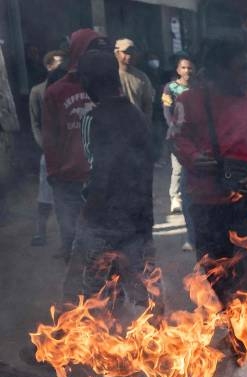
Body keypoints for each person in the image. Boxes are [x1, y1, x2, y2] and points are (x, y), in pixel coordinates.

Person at [169, 40, 247, 310]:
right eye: (241, 69)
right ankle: (233, 324)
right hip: (206, 204)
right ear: (218, 70)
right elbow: (177, 138)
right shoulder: (188, 101)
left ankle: (243, 336)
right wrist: (194, 157)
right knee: (214, 272)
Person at [64, 50, 158, 309]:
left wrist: (87, 218)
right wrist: (145, 220)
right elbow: (146, 169)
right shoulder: (137, 116)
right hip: (137, 218)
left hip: (101, 221)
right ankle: (155, 342)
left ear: (90, 81)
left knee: (83, 293)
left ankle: (64, 340)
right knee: (144, 292)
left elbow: (97, 172)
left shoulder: (91, 119)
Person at [43, 29, 109, 261]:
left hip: (102, 177)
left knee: (102, 240)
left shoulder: (109, 87)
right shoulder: (56, 92)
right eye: (93, 49)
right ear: (78, 52)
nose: (99, 55)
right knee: (72, 236)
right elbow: (50, 137)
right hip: (68, 178)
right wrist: (52, 171)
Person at [28, 50, 65, 247]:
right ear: (48, 66)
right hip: (50, 152)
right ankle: (40, 232)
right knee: (45, 194)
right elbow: (35, 124)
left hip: (71, 151)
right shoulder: (37, 91)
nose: (62, 68)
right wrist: (46, 146)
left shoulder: (72, 90)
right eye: (58, 64)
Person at [162, 54, 194, 249]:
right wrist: (173, 127)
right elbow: (167, 110)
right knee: (178, 168)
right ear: (177, 70)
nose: (187, 71)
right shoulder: (170, 88)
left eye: (190, 68)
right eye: (183, 68)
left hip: (196, 134)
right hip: (177, 133)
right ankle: (175, 197)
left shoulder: (198, 89)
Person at [114, 38, 154, 123]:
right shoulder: (111, 76)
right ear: (117, 53)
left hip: (138, 125)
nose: (129, 56)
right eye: (125, 52)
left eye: (132, 53)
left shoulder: (142, 77)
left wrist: (146, 122)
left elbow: (148, 104)